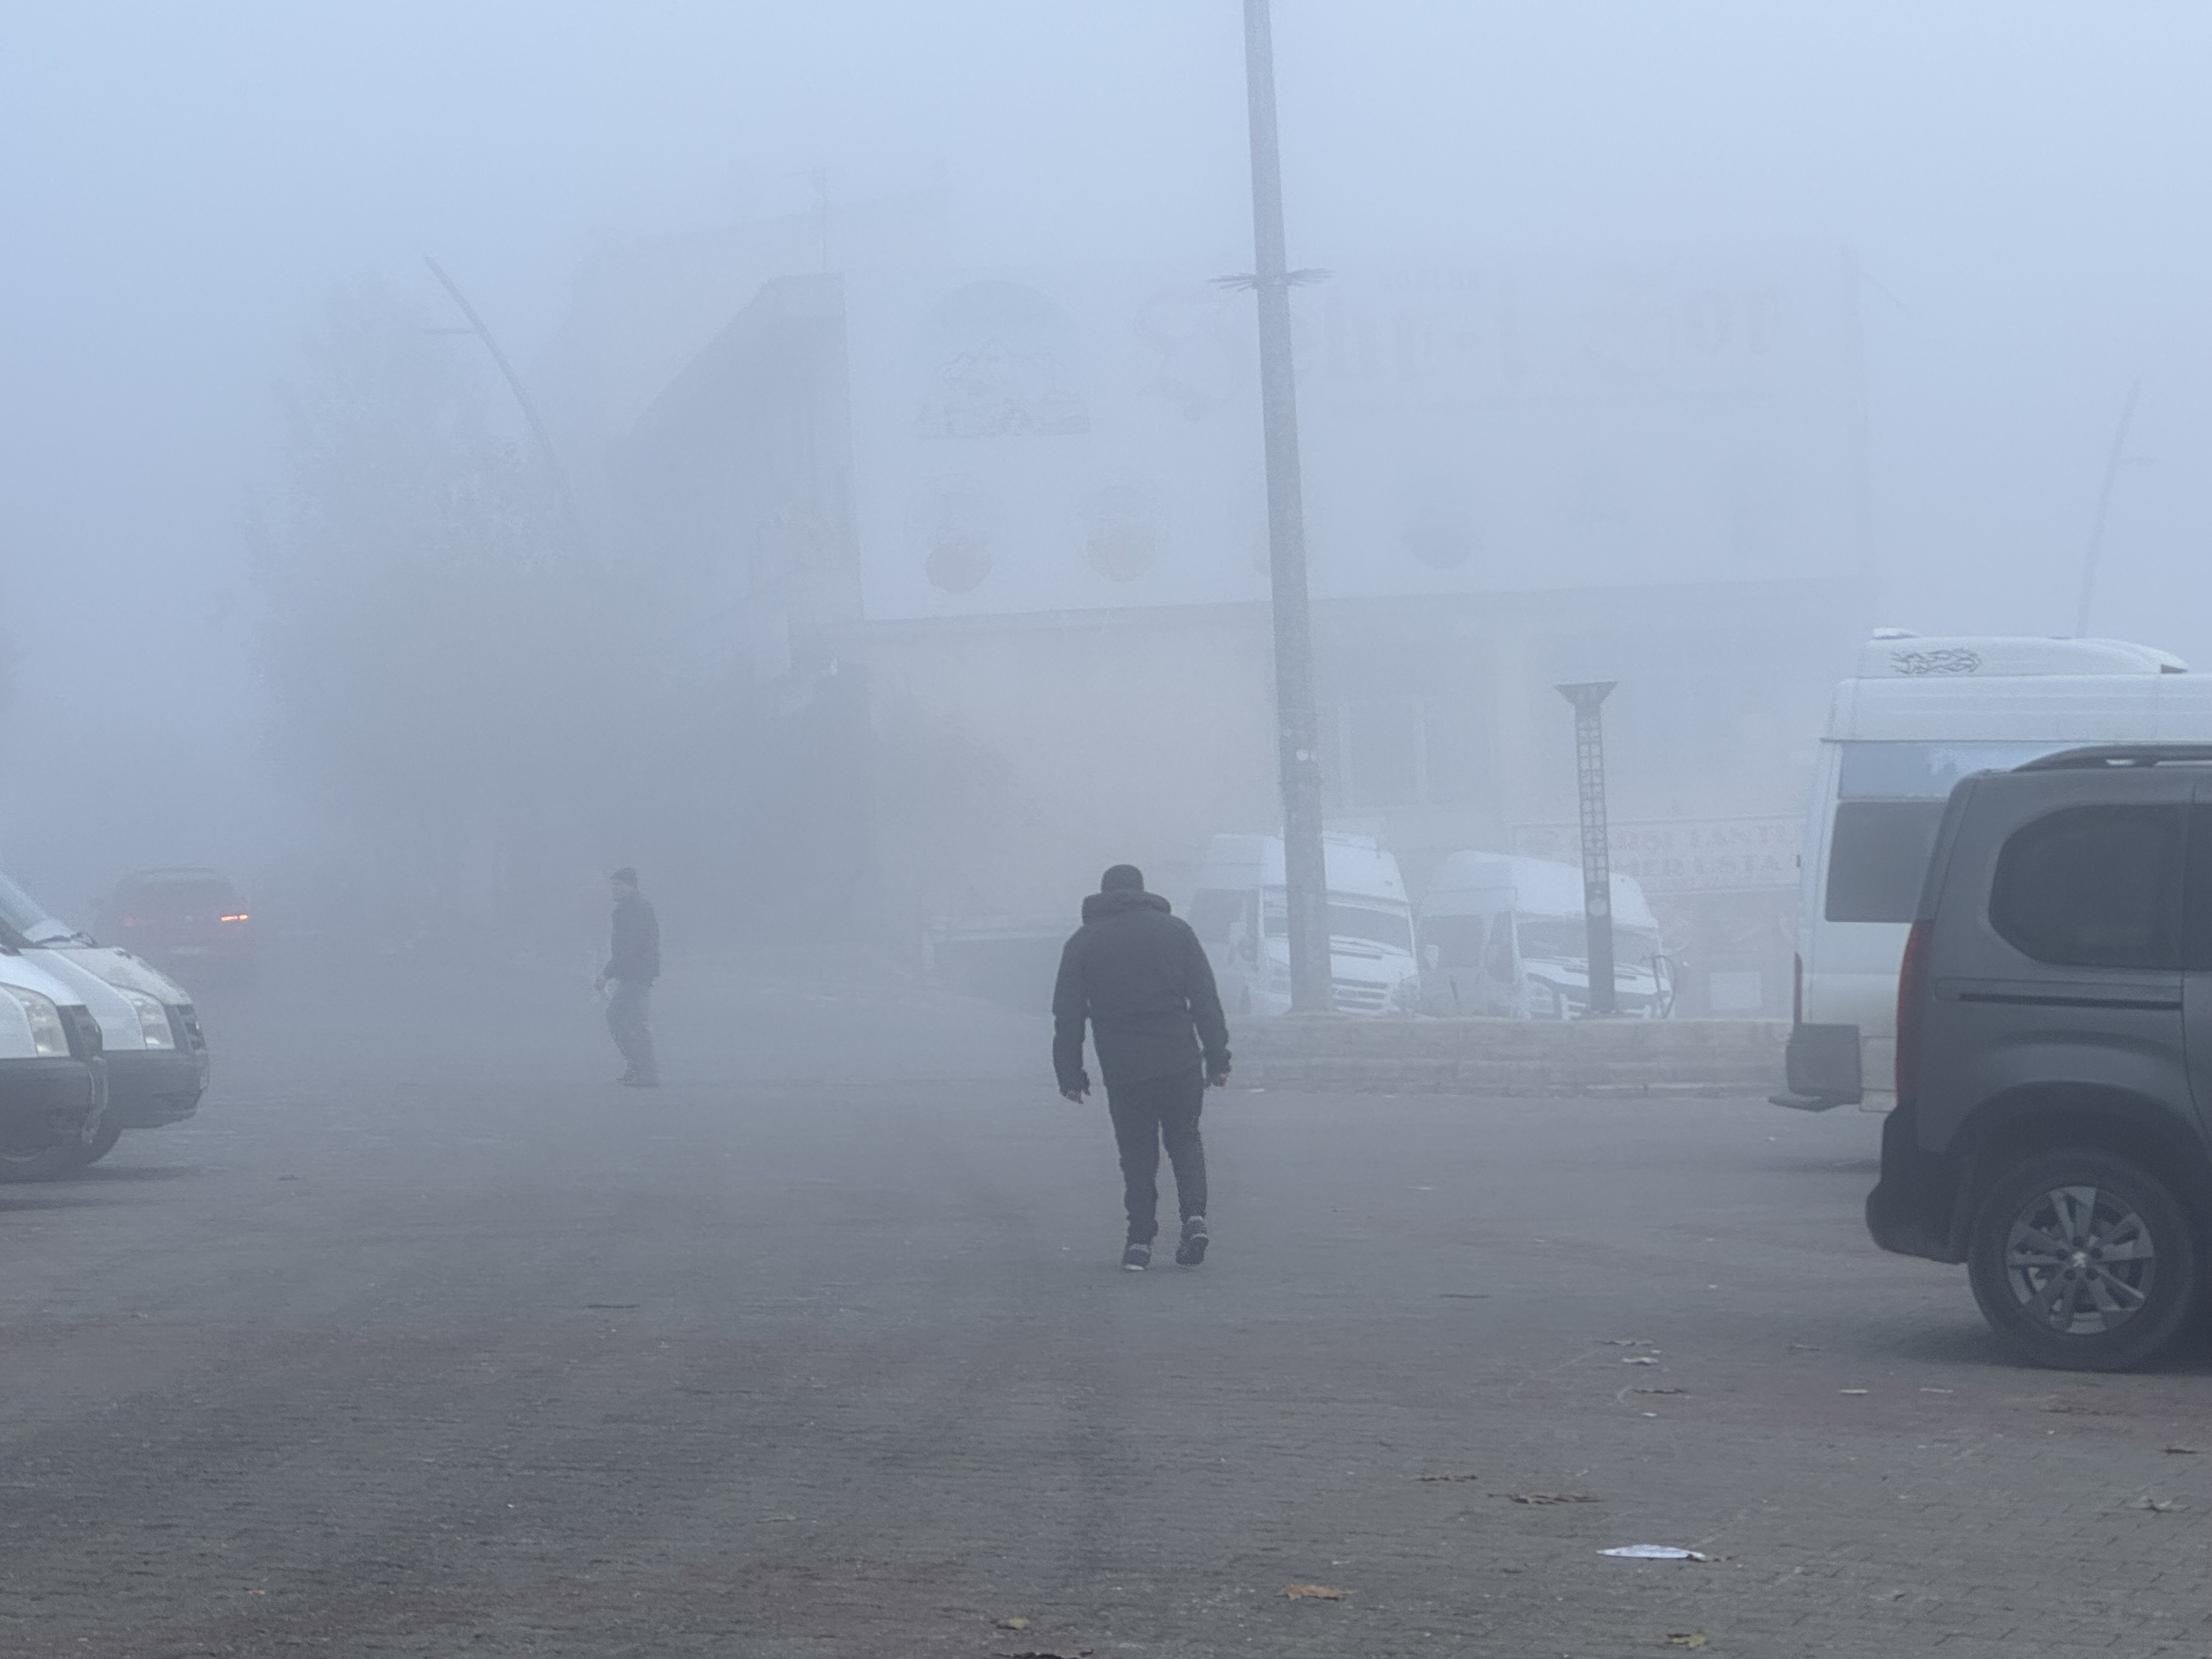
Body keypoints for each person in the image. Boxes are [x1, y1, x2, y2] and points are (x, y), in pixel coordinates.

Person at [1052, 864, 1231, 1270]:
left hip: (1124, 1067)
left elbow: (1068, 1015)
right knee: (1185, 1140)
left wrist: (1070, 1075)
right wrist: (1218, 1059)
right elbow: (1205, 999)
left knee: (1137, 1152)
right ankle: (1194, 1218)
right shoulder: (1177, 932)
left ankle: (1139, 1243)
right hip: (1179, 1060)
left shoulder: (1083, 942)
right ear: (1143, 891)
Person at [596, 867, 660, 1087]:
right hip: (636, 974)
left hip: (636, 975)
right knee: (626, 1020)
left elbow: (628, 949)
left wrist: (607, 973)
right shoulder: (631, 908)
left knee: (627, 1021)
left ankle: (645, 1072)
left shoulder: (633, 910)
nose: (614, 890)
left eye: (619, 885)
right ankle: (639, 1068)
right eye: (613, 885)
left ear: (632, 887)